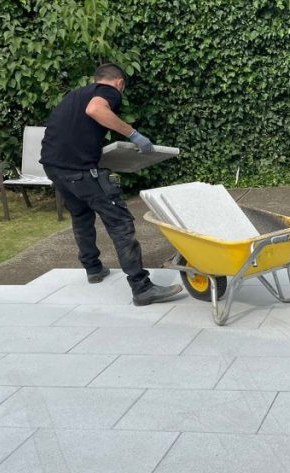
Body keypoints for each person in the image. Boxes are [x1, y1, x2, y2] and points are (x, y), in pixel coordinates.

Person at [40, 63, 181, 306]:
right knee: (120, 222)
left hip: (54, 168)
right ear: (120, 83)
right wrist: (133, 134)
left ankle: (93, 268)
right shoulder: (109, 92)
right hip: (79, 170)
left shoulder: (74, 95)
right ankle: (142, 288)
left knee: (81, 215)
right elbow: (96, 110)